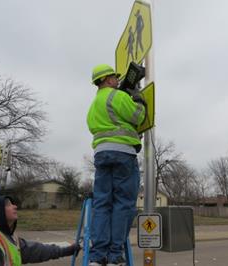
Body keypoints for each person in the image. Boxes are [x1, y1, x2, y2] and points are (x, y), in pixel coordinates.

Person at [87, 64, 146, 266]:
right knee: (123, 204)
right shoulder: (117, 97)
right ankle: (114, 255)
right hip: (123, 155)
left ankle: (96, 256)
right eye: (115, 77)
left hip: (101, 155)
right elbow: (138, 116)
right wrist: (138, 99)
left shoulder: (94, 104)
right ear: (107, 79)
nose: (117, 80)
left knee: (102, 203)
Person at [0, 196, 80, 266]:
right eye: (8, 204)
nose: (15, 206)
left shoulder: (10, 238)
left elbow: (37, 251)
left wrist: (66, 251)